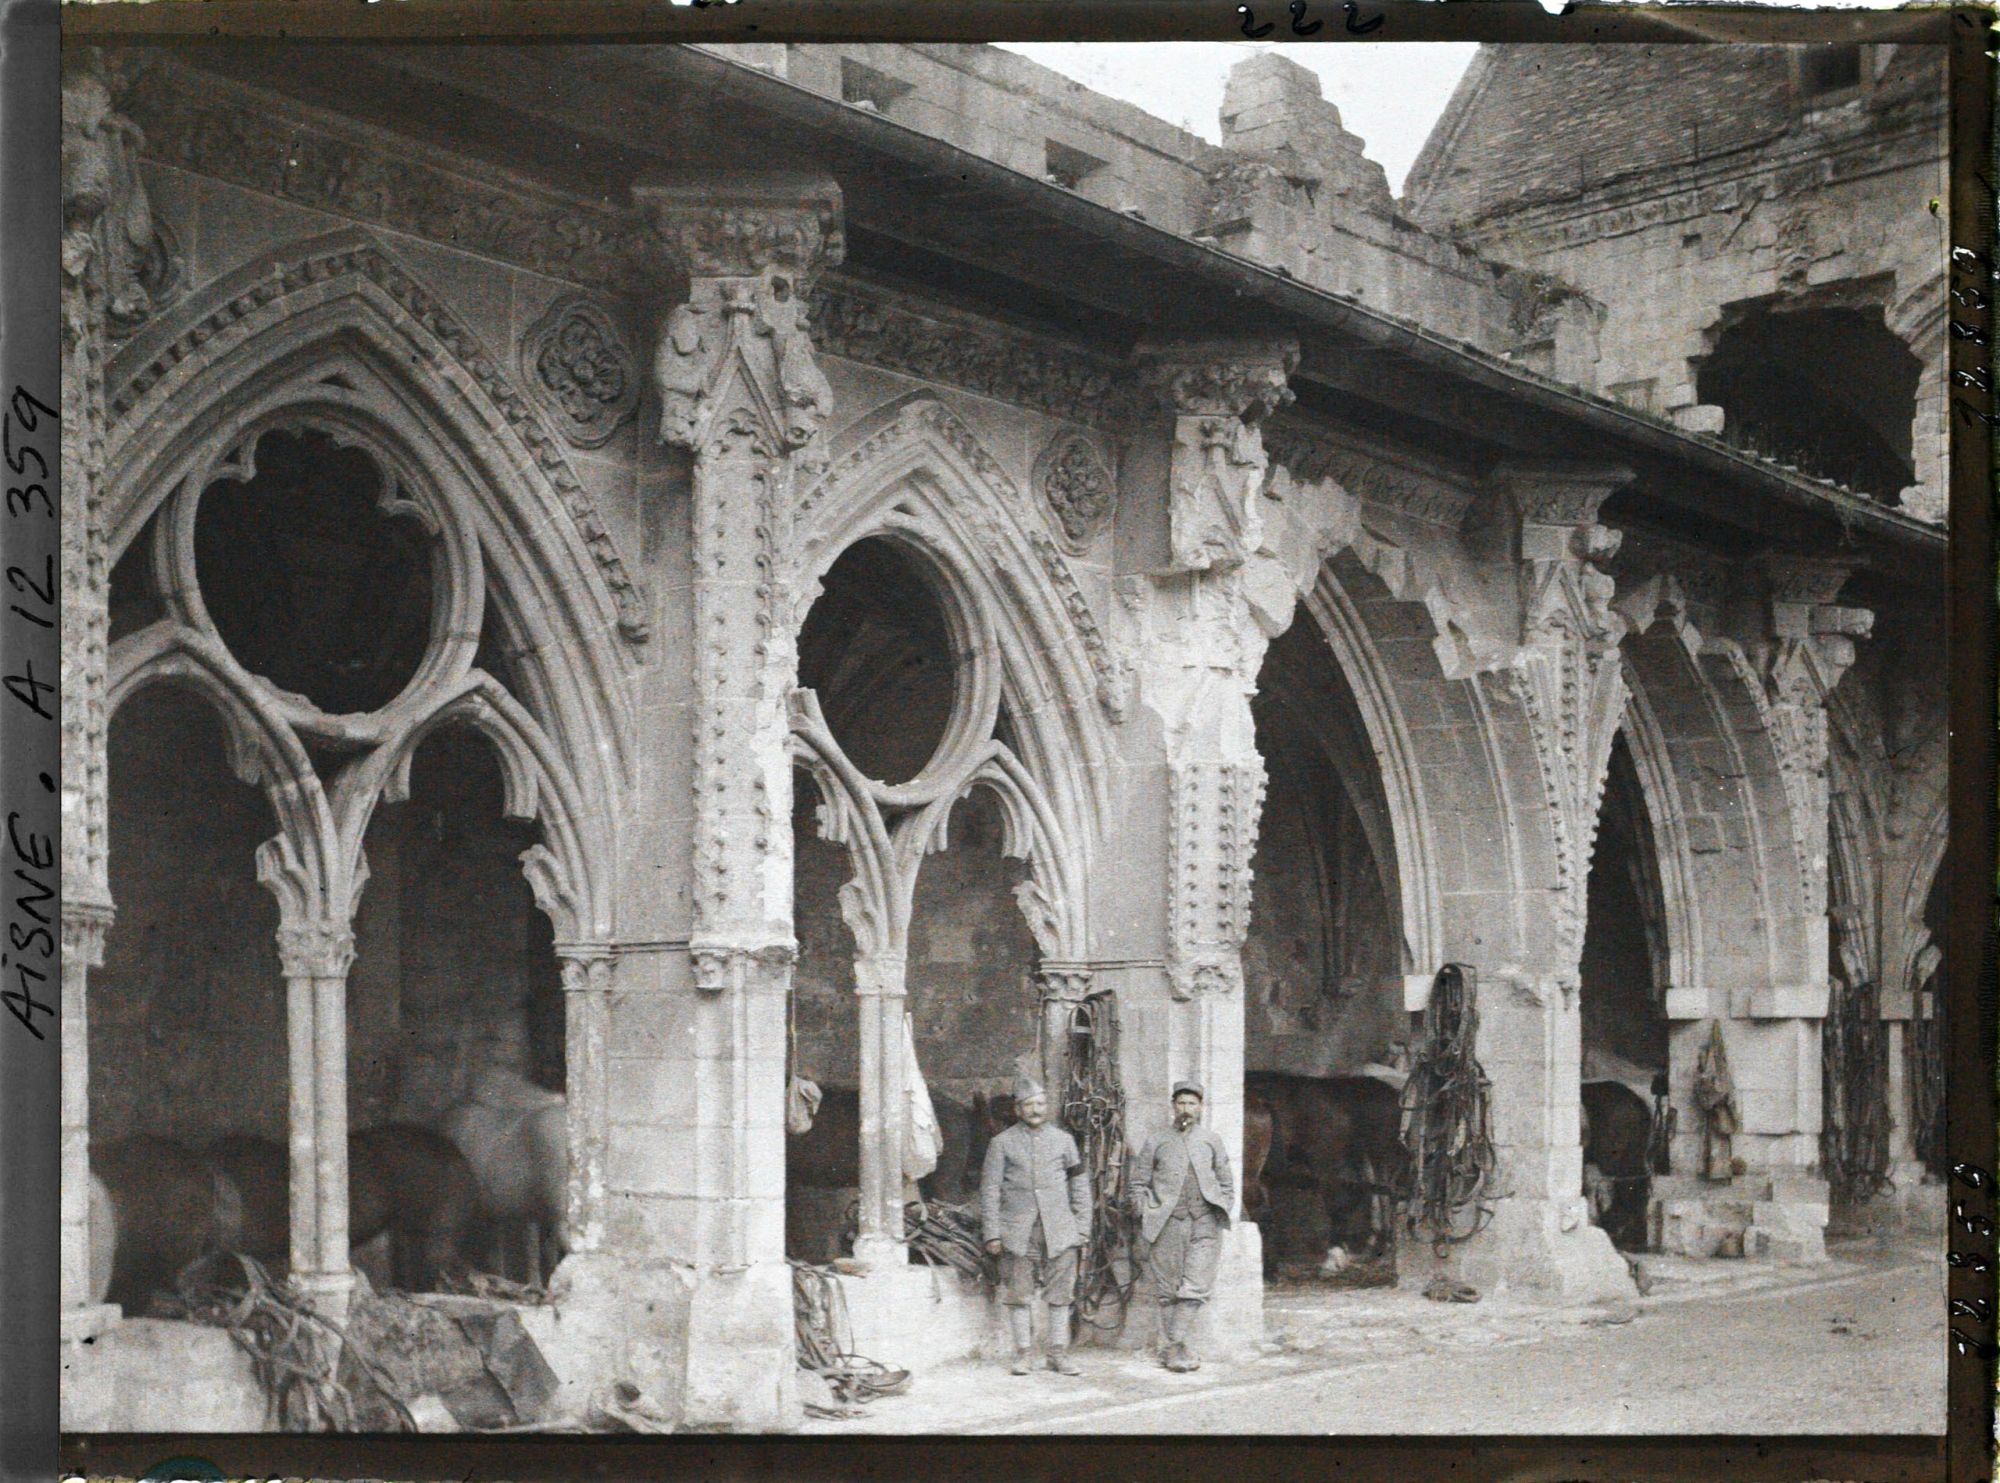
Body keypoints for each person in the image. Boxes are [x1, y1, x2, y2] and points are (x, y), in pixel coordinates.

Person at [979, 1072, 1092, 1376]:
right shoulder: (1001, 1144)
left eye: (1041, 1103)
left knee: (1061, 1293)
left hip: (1060, 1229)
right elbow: (989, 1190)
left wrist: (1082, 1227)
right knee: (1018, 1293)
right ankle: (1023, 1354)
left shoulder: (1065, 1141)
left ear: (1048, 1106)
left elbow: (1080, 1186)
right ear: (1018, 1110)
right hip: (1017, 1231)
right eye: (1029, 1105)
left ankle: (1058, 1353)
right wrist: (992, 1232)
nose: (1036, 1110)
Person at [1130, 1079, 1236, 1372]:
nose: (1186, 1109)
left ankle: (1172, 1344)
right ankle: (1176, 1349)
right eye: (1181, 1103)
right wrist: (1144, 1210)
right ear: (1173, 1106)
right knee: (1168, 1289)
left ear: (1200, 1108)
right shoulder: (1157, 1140)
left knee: (1196, 1286)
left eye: (1192, 1104)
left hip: (1204, 1223)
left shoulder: (1211, 1140)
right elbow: (1138, 1181)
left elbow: (1226, 1180)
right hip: (1167, 1223)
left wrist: (1223, 1205)